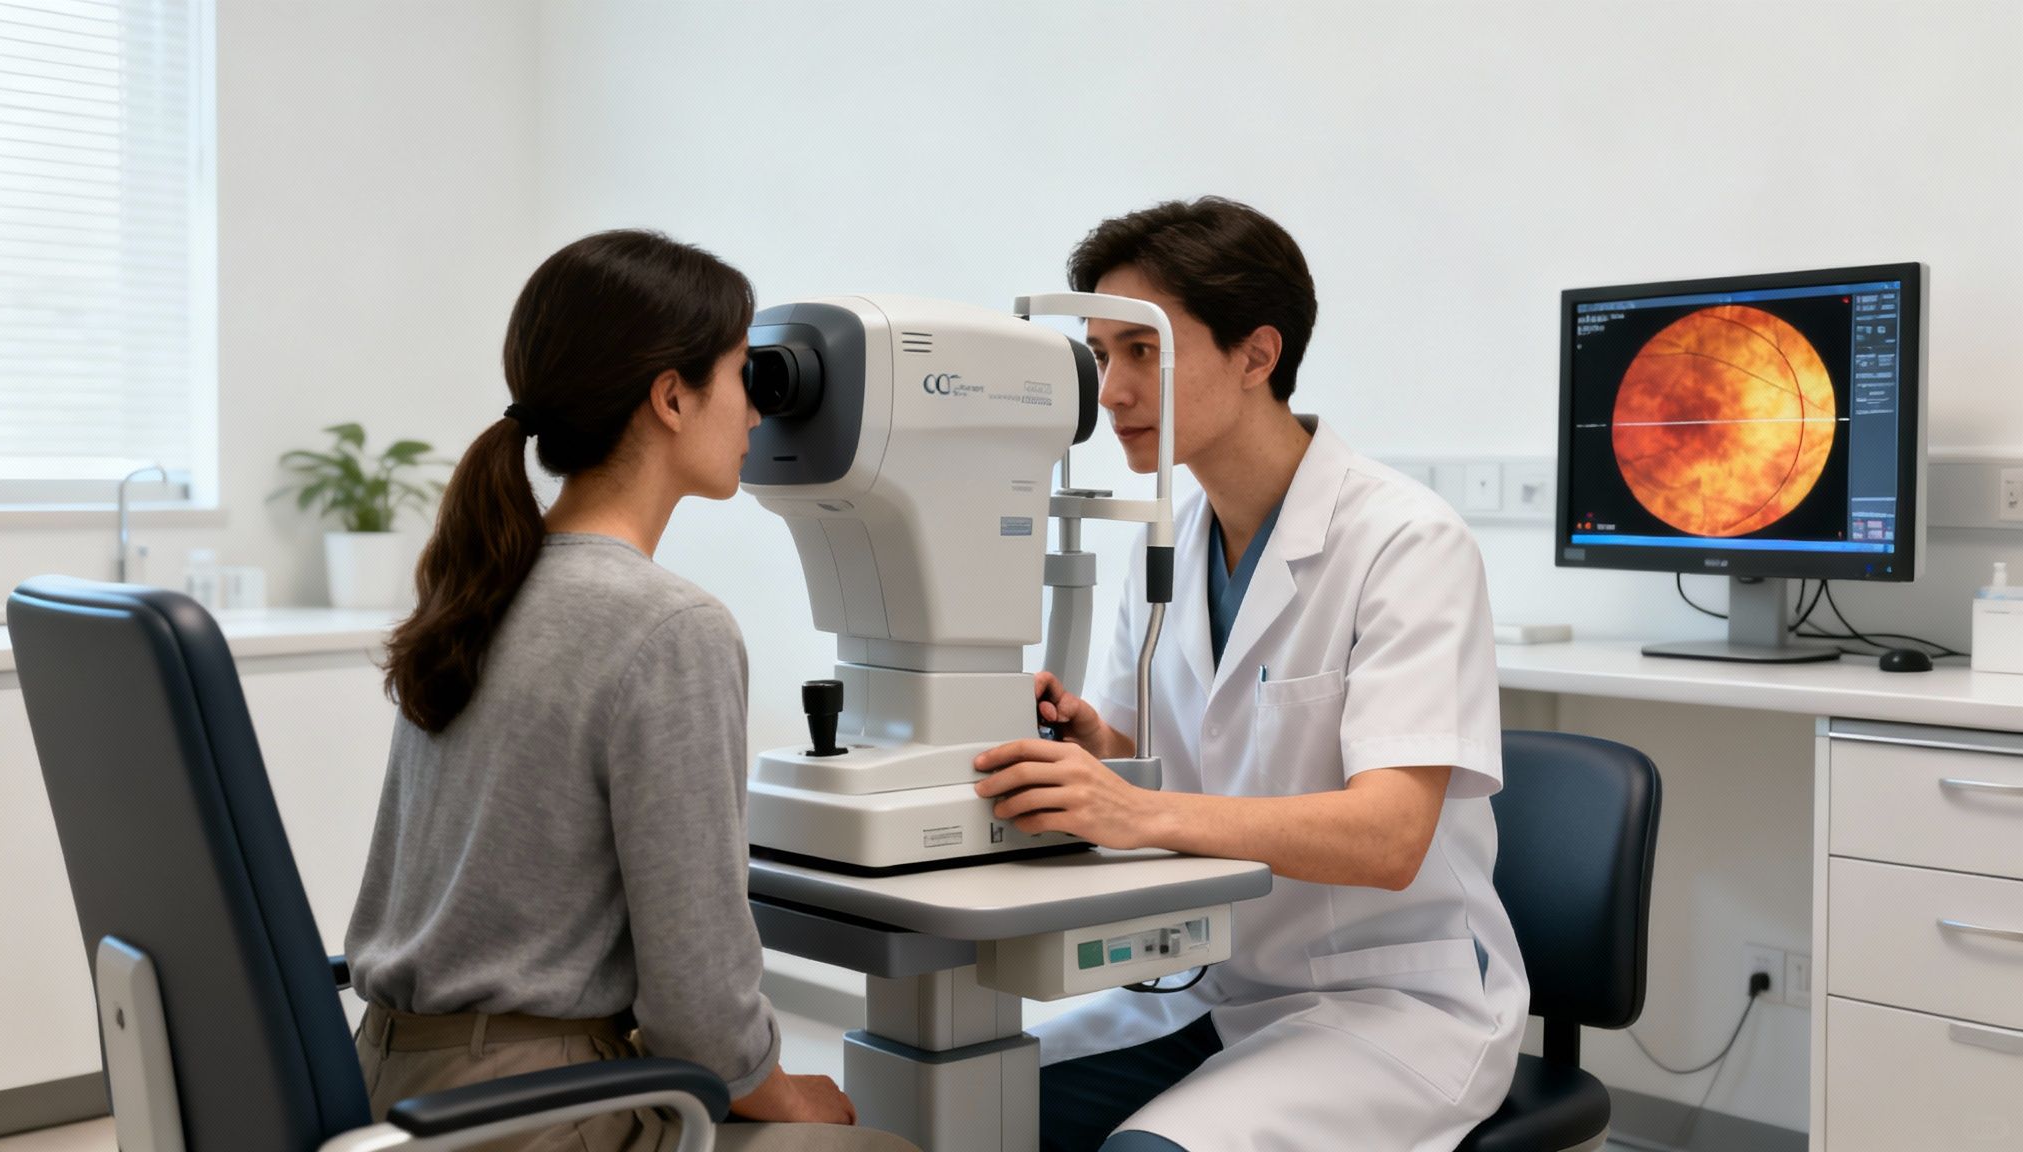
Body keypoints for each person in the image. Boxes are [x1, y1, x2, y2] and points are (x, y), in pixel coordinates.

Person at [972, 198, 1528, 1152]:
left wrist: (1132, 809)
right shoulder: (1173, 538)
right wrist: (1104, 753)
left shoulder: (1405, 541)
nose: (1110, 391)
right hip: (1218, 980)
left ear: (1256, 356)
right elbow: (1174, 768)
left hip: (1391, 1000)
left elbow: (1391, 835)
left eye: (1143, 350)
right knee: (967, 1109)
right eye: (1102, 353)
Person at [345, 230, 915, 1152]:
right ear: (672, 396)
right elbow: (699, 1003)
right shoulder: (668, 626)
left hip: (388, 1080)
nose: (759, 415)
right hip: (524, 1109)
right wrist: (786, 1090)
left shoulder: (488, 581)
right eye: (742, 376)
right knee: (876, 1145)